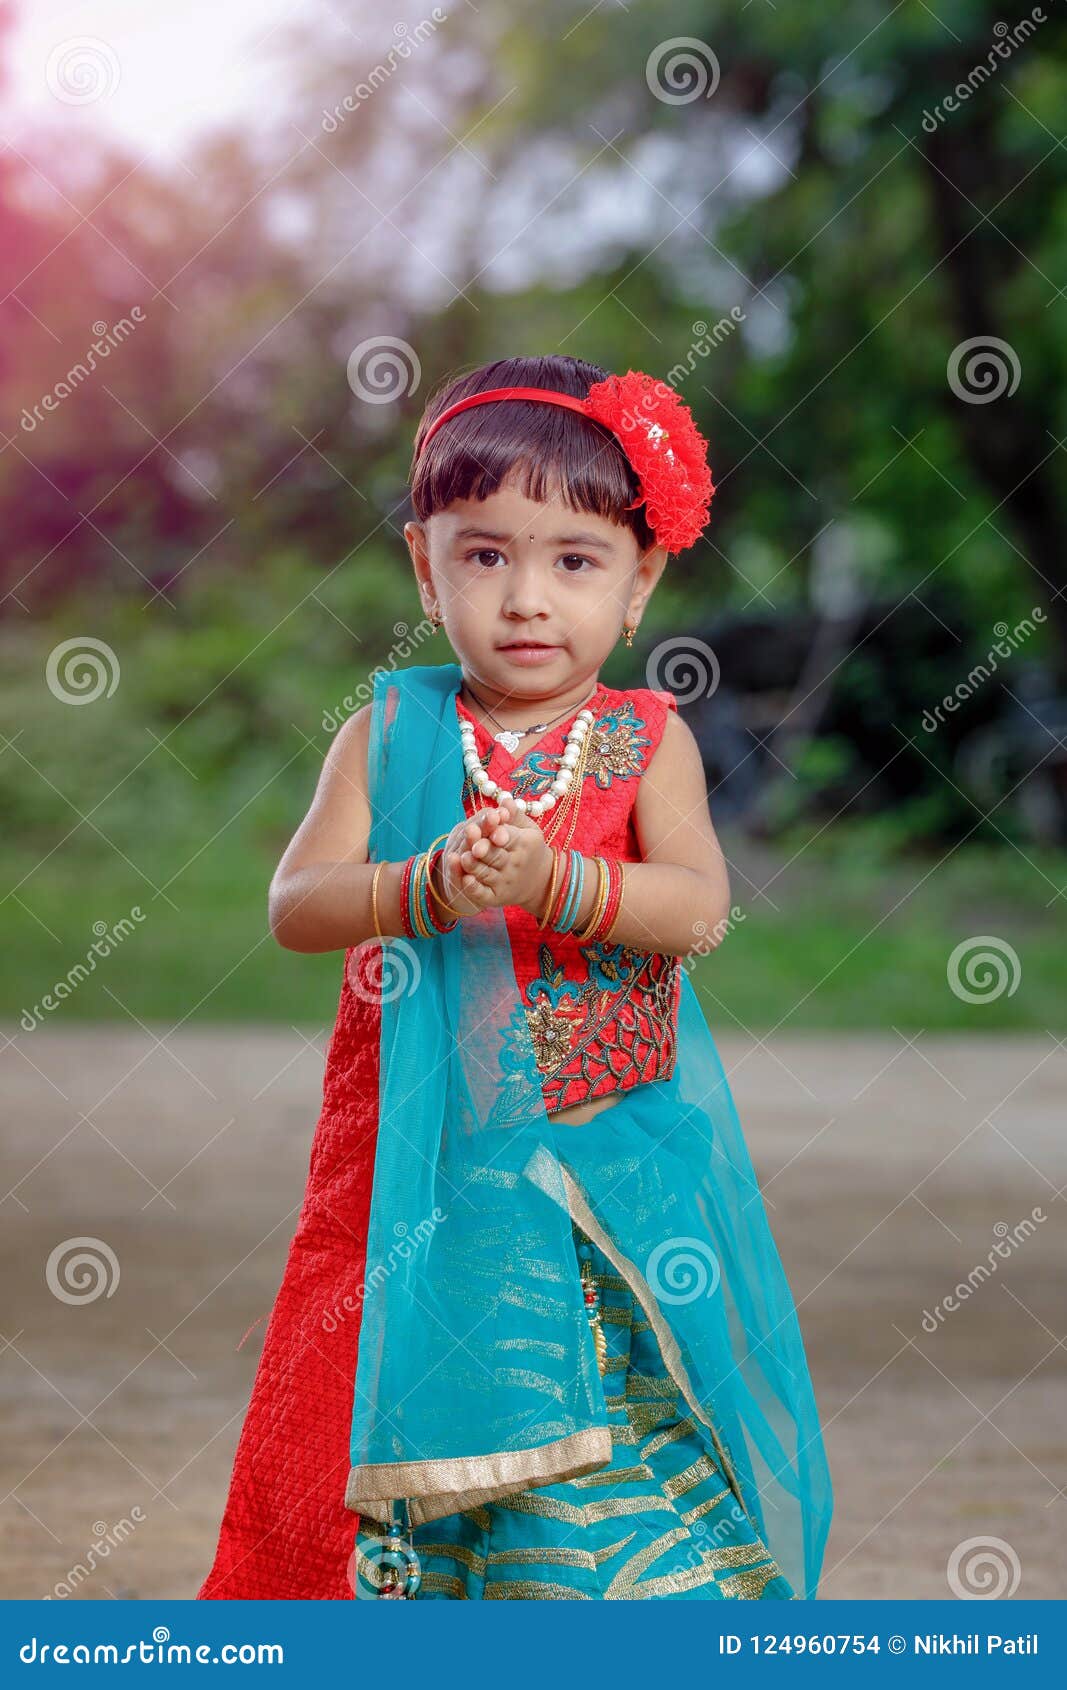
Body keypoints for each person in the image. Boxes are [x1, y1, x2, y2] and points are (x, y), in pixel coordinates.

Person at [197, 354, 833, 1602]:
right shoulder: (390, 729)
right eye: (483, 555)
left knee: (594, 1423)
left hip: (594, 1168)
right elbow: (293, 904)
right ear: (423, 565)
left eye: (574, 561)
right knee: (384, 1416)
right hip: (414, 1179)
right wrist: (422, 883)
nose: (527, 598)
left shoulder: (646, 741)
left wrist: (556, 886)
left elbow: (698, 909)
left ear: (640, 580)